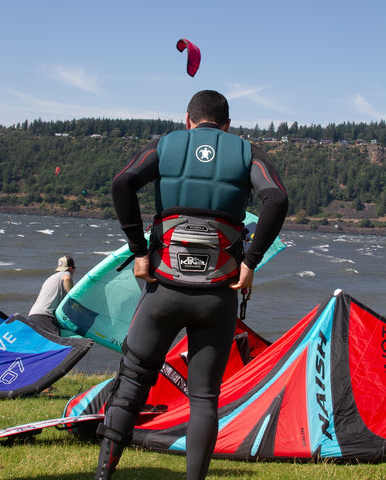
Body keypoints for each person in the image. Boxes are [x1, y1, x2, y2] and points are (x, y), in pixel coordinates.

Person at [94, 90, 288, 480]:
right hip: (218, 295)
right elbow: (277, 199)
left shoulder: (165, 146)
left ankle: (103, 475)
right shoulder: (247, 152)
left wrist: (139, 252)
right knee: (204, 399)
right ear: (227, 125)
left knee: (132, 381)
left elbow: (122, 184)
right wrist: (250, 263)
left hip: (163, 288)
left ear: (187, 119)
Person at [28, 255, 75, 329]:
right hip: (45, 317)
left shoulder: (51, 278)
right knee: (58, 340)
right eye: (74, 268)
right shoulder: (66, 274)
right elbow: (67, 278)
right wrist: (73, 297)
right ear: (70, 268)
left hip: (33, 315)